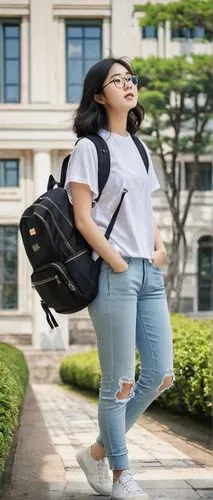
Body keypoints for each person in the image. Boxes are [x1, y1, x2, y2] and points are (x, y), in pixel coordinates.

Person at [65, 57, 174, 500]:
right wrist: (118, 261)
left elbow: (142, 211)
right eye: (116, 80)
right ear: (98, 95)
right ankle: (119, 473)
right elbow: (83, 217)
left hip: (149, 273)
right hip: (116, 273)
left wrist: (159, 246)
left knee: (161, 374)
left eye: (130, 79)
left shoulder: (140, 147)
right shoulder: (90, 148)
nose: (128, 85)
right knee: (120, 382)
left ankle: (95, 451)